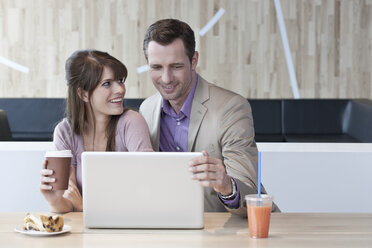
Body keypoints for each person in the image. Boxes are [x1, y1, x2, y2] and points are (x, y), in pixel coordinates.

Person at [140, 19, 279, 216]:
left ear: (194, 60)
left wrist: (226, 185)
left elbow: (249, 192)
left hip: (231, 230)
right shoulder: (146, 109)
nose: (166, 78)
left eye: (176, 66)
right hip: (171, 227)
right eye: (156, 67)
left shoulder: (231, 109)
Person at [40, 50, 153, 213]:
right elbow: (69, 202)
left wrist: (84, 206)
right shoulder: (65, 132)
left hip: (129, 229)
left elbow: (146, 192)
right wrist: (54, 201)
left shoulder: (131, 122)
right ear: (83, 93)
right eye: (107, 83)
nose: (120, 89)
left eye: (120, 81)